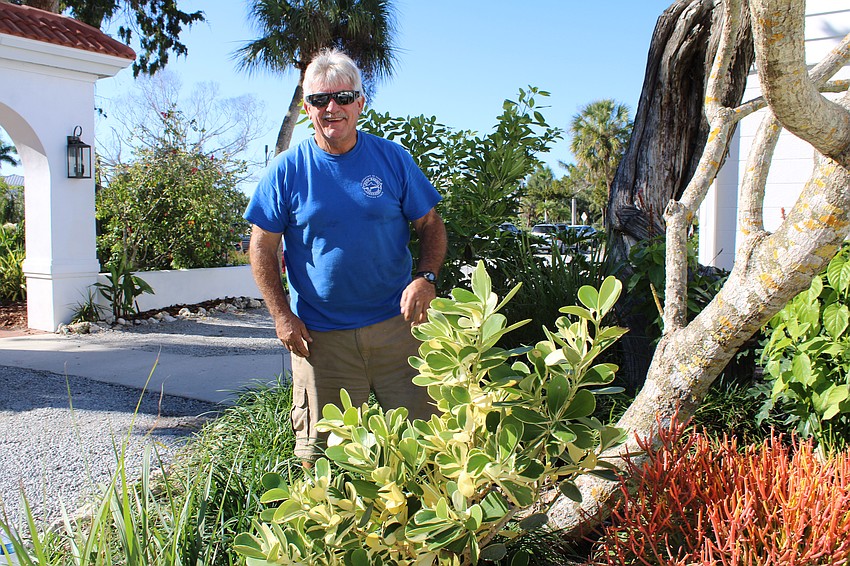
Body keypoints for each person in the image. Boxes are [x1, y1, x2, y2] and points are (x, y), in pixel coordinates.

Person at [244, 48, 447, 462]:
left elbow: (431, 225)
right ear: (306, 107)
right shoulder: (287, 169)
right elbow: (262, 245)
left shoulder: (392, 160)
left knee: (429, 450)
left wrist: (425, 278)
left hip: (400, 330)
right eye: (319, 100)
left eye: (342, 97)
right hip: (320, 340)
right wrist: (282, 315)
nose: (331, 108)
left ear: (360, 102)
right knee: (324, 462)